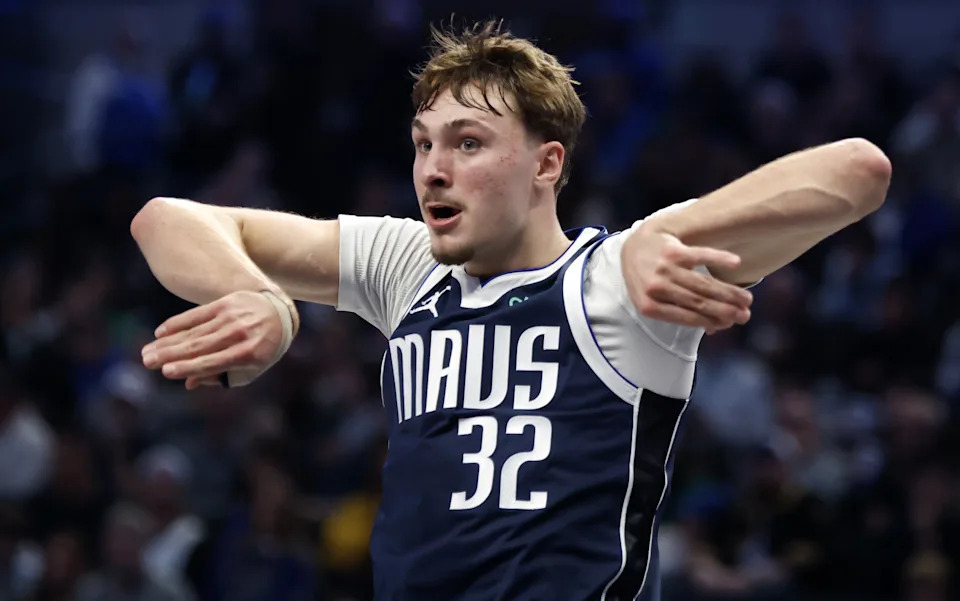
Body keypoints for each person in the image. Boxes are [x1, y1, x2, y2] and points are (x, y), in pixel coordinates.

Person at [131, 20, 891, 601]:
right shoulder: (409, 265)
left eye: (468, 142)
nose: (433, 168)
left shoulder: (612, 280)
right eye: (424, 143)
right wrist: (256, 293)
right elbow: (168, 217)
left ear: (547, 163)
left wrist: (669, 234)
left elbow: (858, 170)